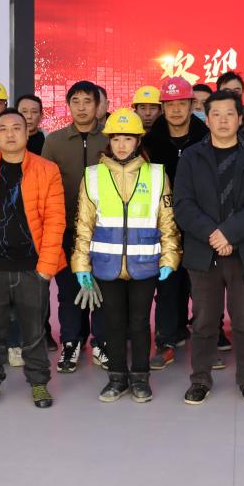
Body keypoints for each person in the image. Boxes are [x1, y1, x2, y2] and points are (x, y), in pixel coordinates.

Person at [0, 108, 66, 409]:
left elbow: (55, 220)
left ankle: (39, 383)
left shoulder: (47, 170)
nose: (9, 134)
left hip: (32, 267)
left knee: (34, 330)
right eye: (3, 129)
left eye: (16, 128)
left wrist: (46, 268)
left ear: (27, 132)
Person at [72, 110, 180, 402]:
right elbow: (83, 224)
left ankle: (141, 377)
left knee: (140, 323)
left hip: (145, 264)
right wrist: (81, 265)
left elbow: (167, 221)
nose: (121, 145)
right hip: (106, 265)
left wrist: (169, 258)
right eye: (116, 138)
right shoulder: (93, 176)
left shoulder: (156, 175)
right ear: (109, 140)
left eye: (128, 138)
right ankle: (117, 377)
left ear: (138, 141)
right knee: (113, 323)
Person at [175, 90, 244, 405]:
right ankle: (200, 379)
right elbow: (183, 205)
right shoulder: (191, 157)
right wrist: (214, 235)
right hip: (204, 252)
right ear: (206, 118)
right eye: (215, 114)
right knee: (204, 319)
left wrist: (229, 234)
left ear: (240, 118)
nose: (222, 120)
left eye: (229, 114)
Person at [41, 81, 109, 373]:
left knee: (103, 287)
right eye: (76, 101)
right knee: (69, 290)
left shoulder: (110, 139)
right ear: (68, 105)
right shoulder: (54, 142)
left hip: (104, 230)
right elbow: (44, 187)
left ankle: (102, 342)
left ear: (98, 105)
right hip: (66, 229)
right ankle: (71, 341)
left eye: (87, 101)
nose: (82, 107)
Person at [145, 76, 209, 368]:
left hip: (199, 223)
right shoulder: (149, 142)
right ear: (162, 107)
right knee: (168, 283)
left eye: (181, 104)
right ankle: (166, 340)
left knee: (203, 284)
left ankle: (209, 338)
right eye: (169, 105)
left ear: (192, 105)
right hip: (163, 224)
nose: (175, 110)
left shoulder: (206, 137)